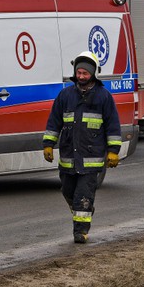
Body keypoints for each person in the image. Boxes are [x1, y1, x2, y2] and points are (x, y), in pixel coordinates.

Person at [42, 51, 122, 243]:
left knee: (83, 195)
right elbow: (54, 122)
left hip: (91, 159)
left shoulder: (104, 97)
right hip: (69, 157)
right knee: (67, 191)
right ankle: (83, 209)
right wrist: (48, 144)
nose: (81, 76)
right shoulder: (65, 96)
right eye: (79, 73)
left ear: (93, 74)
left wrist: (113, 151)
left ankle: (81, 231)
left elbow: (113, 125)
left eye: (85, 73)